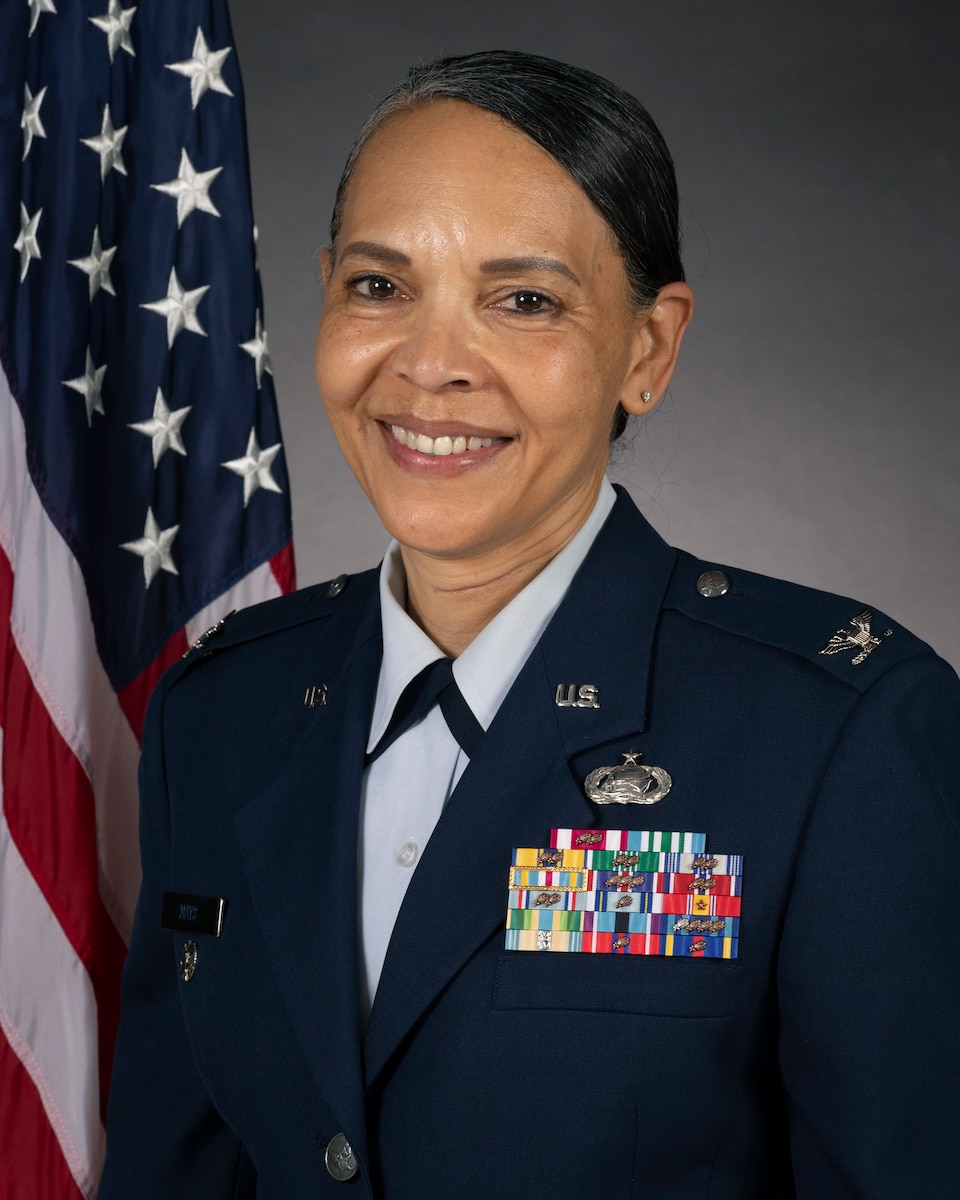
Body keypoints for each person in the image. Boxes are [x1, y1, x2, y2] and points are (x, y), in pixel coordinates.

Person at [99, 50, 960, 1199]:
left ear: (647, 351)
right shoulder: (222, 714)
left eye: (525, 301)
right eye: (378, 286)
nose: (431, 366)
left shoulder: (836, 735)